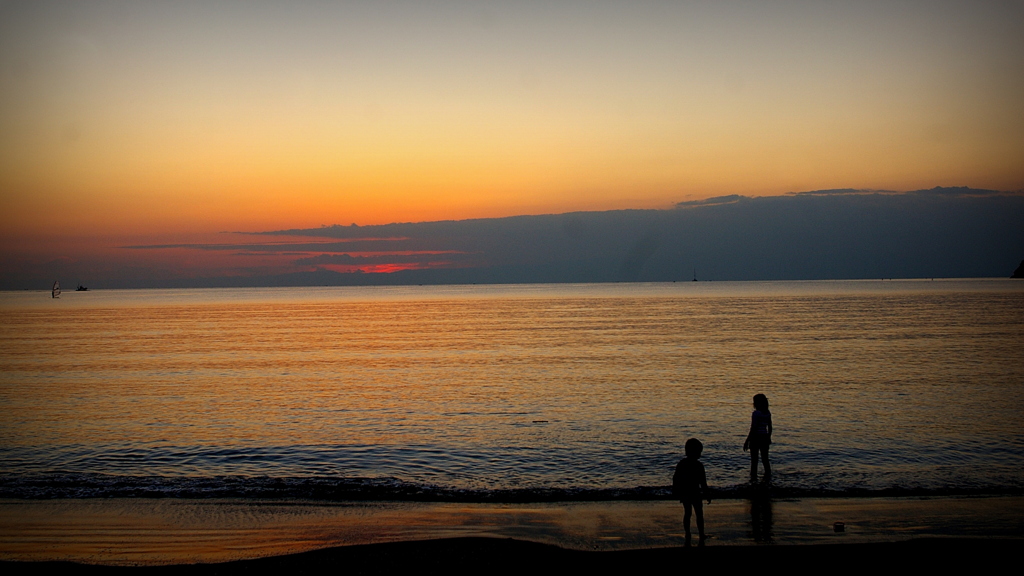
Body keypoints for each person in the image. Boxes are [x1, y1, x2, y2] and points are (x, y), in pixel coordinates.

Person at [673, 438, 710, 545]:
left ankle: (688, 533)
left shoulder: (682, 463)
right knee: (699, 513)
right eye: (699, 452)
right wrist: (707, 493)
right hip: (695, 493)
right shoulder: (699, 466)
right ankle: (701, 533)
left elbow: (676, 478)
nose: (700, 454)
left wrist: (676, 490)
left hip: (685, 492)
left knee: (687, 513)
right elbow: (703, 483)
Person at [743, 393, 773, 481]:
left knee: (754, 461)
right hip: (764, 437)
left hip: (756, 438)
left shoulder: (756, 413)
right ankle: (768, 477)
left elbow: (753, 428)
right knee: (765, 459)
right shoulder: (767, 413)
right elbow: (770, 427)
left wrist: (747, 440)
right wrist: (768, 437)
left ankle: (753, 479)